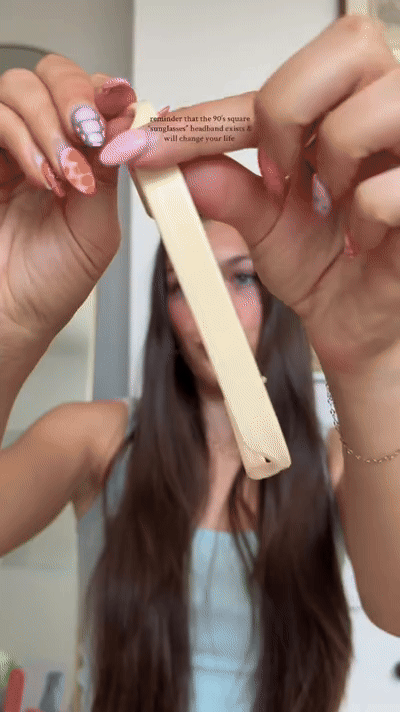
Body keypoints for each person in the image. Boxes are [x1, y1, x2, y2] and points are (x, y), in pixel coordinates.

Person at [0, 12, 399, 712]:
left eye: (242, 277)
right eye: (186, 283)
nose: (215, 307)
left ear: (277, 294)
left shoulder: (344, 459)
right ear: (165, 312)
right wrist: (10, 325)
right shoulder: (93, 440)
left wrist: (374, 364)